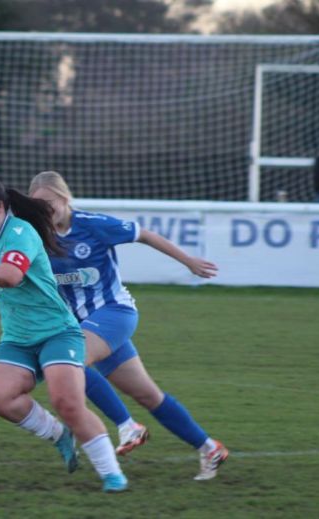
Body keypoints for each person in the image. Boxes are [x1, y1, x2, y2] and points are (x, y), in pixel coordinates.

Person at [28, 170, 229, 481]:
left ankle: (127, 425)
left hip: (114, 313)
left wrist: (188, 261)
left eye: (49, 203)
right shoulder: (37, 236)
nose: (45, 210)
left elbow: (145, 235)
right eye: (38, 205)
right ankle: (209, 447)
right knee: (148, 395)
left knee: (71, 362)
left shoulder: (92, 224)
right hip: (86, 326)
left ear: (64, 198)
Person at [0, 177, 128, 493]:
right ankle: (58, 434)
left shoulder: (20, 233)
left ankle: (111, 473)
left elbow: (10, 276)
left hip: (57, 333)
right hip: (17, 337)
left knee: (68, 403)